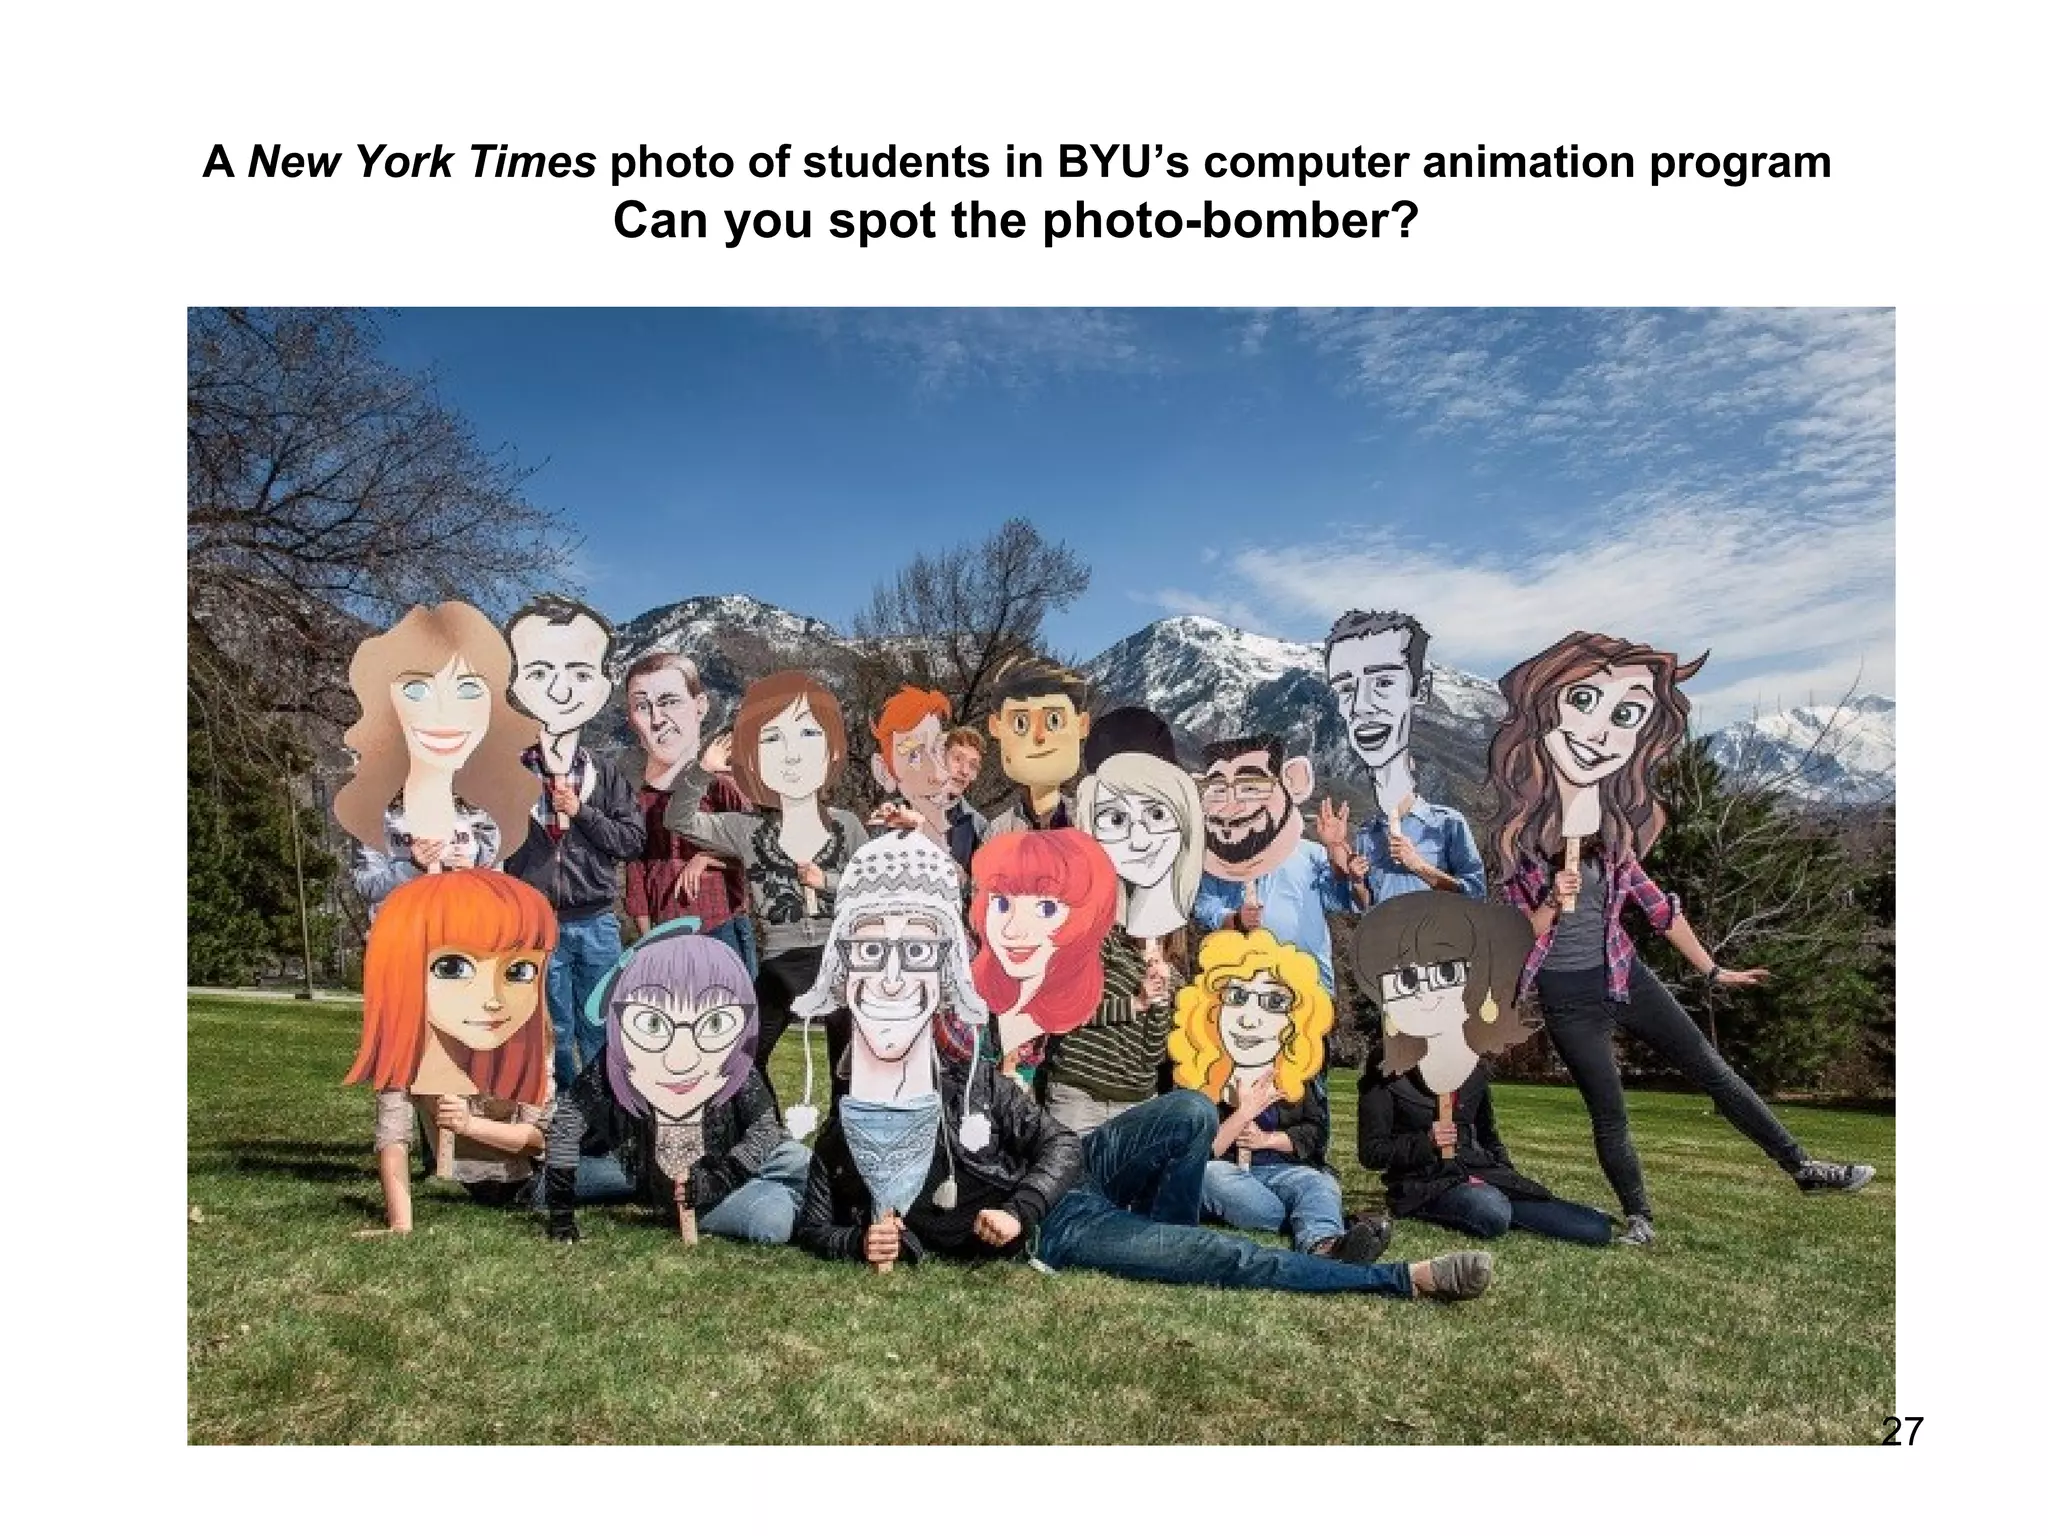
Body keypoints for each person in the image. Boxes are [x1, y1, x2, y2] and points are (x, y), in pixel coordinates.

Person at [1488, 631, 1875, 1245]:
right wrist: (1551, 907)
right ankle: (1639, 1217)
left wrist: (1712, 969)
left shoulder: (1612, 849)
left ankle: (1801, 1165)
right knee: (1609, 1112)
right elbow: (1512, 941)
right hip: (1568, 996)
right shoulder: (1520, 863)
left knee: (1711, 1070)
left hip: (1625, 975)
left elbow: (1660, 911)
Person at [662, 670, 869, 1127]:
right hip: (780, 961)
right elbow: (679, 820)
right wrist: (703, 770)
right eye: (774, 742)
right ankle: (768, 1138)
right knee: (743, 1059)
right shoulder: (747, 830)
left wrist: (826, 881)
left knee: (851, 1065)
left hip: (839, 958)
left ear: (830, 752)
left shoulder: (847, 824)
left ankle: (843, 1147)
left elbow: (869, 889)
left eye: (808, 736)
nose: (792, 755)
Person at [1351, 890, 1612, 1245]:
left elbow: (1487, 1134)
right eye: (1411, 982)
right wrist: (1426, 1142)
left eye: (1444, 974)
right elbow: (1372, 1152)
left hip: (1479, 1172)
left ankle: (1515, 1200)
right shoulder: (1387, 1068)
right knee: (1491, 1212)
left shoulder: (1470, 1060)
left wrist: (1502, 1171)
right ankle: (1483, 1200)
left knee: (1593, 1228)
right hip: (1423, 1185)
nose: (1429, 993)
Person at [543, 922, 810, 1245]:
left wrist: (721, 1178)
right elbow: (567, 1122)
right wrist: (560, 1217)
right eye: (656, 1022)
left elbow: (764, 1130)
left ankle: (811, 1199)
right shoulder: (615, 1061)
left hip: (742, 1159)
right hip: (680, 1183)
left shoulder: (726, 1054)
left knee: (800, 1161)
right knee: (771, 1222)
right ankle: (794, 1203)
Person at [343, 870, 557, 1234]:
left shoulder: (523, 1030)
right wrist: (400, 1223)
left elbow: (541, 1139)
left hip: (549, 1166)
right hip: (490, 1184)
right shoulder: (408, 1043)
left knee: (628, 1173)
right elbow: (392, 1135)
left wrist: (468, 1125)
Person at [1169, 928, 1390, 1263]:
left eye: (1273, 1002)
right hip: (1227, 1173)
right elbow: (1197, 1154)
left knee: (1317, 1184)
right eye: (1237, 997)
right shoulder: (1196, 1073)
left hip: (1283, 1170)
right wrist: (1244, 1114)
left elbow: (1314, 1134)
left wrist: (1268, 1140)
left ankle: (1325, 1246)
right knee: (1209, 1177)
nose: (1250, 1017)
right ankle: (1308, 1219)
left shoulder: (1296, 1070)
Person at [501, 595, 647, 1093]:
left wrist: (579, 811)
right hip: (536, 920)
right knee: (552, 1029)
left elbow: (631, 840)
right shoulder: (512, 771)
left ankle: (605, 1117)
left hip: (596, 920)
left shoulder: (604, 773)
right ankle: (565, 1113)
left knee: (601, 1024)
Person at [332, 601, 538, 919]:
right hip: (404, 940)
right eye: (418, 692)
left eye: (467, 691)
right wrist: (411, 866)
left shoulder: (485, 799)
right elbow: (366, 886)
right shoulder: (378, 805)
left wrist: (474, 865)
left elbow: (499, 872)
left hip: (471, 935)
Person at [1039, 746, 1205, 1132]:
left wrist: (1158, 1001)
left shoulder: (1171, 966)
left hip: (1136, 1102)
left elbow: (1151, 1056)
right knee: (1072, 1190)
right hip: (1079, 1094)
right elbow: (1068, 1015)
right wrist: (1135, 1001)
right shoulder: (1093, 936)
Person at [1312, 609, 1487, 907]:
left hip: (1441, 948)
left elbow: (1476, 893)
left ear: (1419, 688)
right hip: (1387, 949)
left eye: (1382, 683)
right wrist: (1353, 875)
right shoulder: (1368, 833)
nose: (1361, 706)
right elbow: (1364, 905)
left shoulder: (1447, 824)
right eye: (1345, 688)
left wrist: (1418, 865)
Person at [617, 650, 756, 973]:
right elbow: (636, 874)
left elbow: (760, 847)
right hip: (667, 931)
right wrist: (647, 936)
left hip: (721, 922)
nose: (657, 718)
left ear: (700, 706)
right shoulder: (640, 802)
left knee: (734, 1016)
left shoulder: (722, 786)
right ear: (632, 721)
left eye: (669, 701)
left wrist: (705, 857)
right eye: (642, 707)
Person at [1190, 733, 1350, 993]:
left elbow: (1342, 898)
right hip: (1241, 989)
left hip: (1308, 988)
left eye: (1252, 788)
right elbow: (1204, 905)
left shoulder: (1310, 854)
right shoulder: (1218, 859)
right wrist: (1234, 919)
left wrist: (1336, 851)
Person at [969, 829, 1120, 1081]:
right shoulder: (966, 982)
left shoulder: (1047, 989)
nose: (1012, 929)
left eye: (1046, 908)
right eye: (1002, 904)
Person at [984, 655, 1091, 835]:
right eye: (1021, 723)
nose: (1039, 736)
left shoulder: (1090, 823)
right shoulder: (999, 832)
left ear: (1081, 725)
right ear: (996, 728)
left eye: (1054, 720)